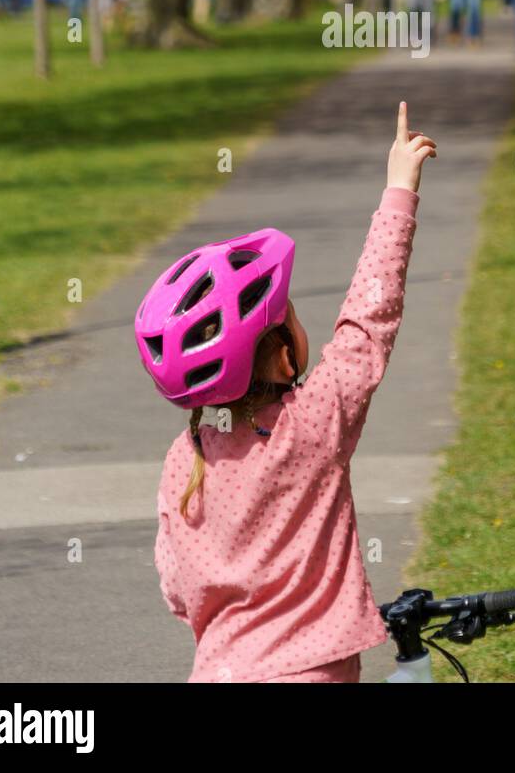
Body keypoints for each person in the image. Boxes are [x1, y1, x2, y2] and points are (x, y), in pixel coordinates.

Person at [136, 102, 436, 684]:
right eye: (292, 315)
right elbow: (368, 320)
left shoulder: (184, 462)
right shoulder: (314, 424)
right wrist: (399, 191)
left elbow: (177, 590)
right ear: (281, 353)